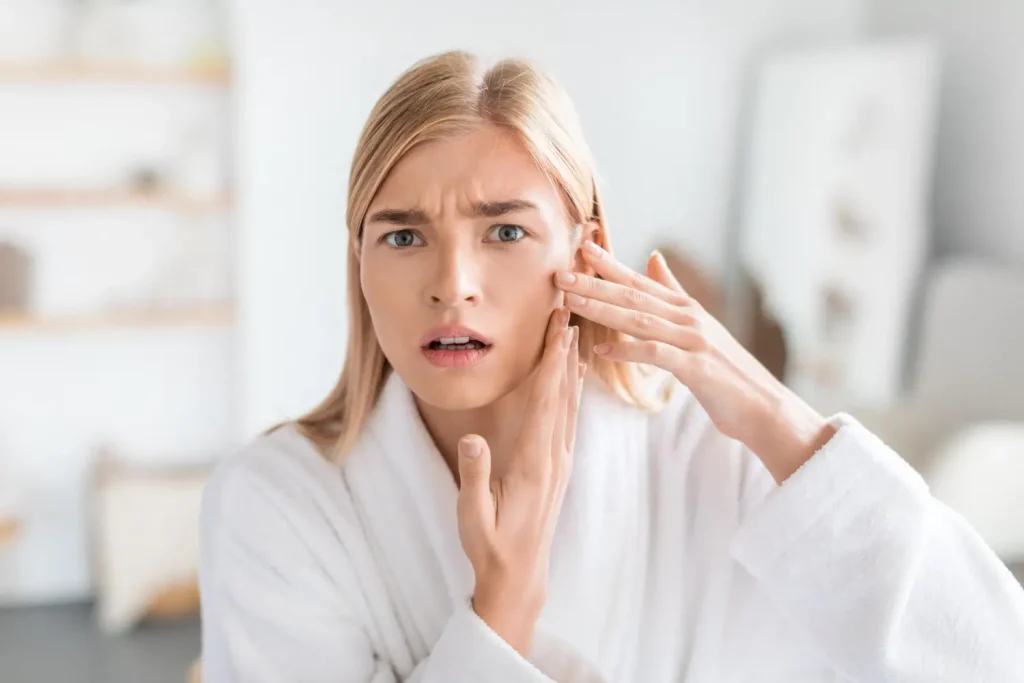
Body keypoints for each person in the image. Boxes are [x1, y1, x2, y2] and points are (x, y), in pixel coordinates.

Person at [198, 50, 1024, 682]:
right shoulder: (277, 502)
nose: (453, 285)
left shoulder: (710, 455)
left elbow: (989, 656)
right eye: (404, 236)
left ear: (586, 248)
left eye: (506, 231)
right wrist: (502, 607)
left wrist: (773, 415)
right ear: (359, 261)